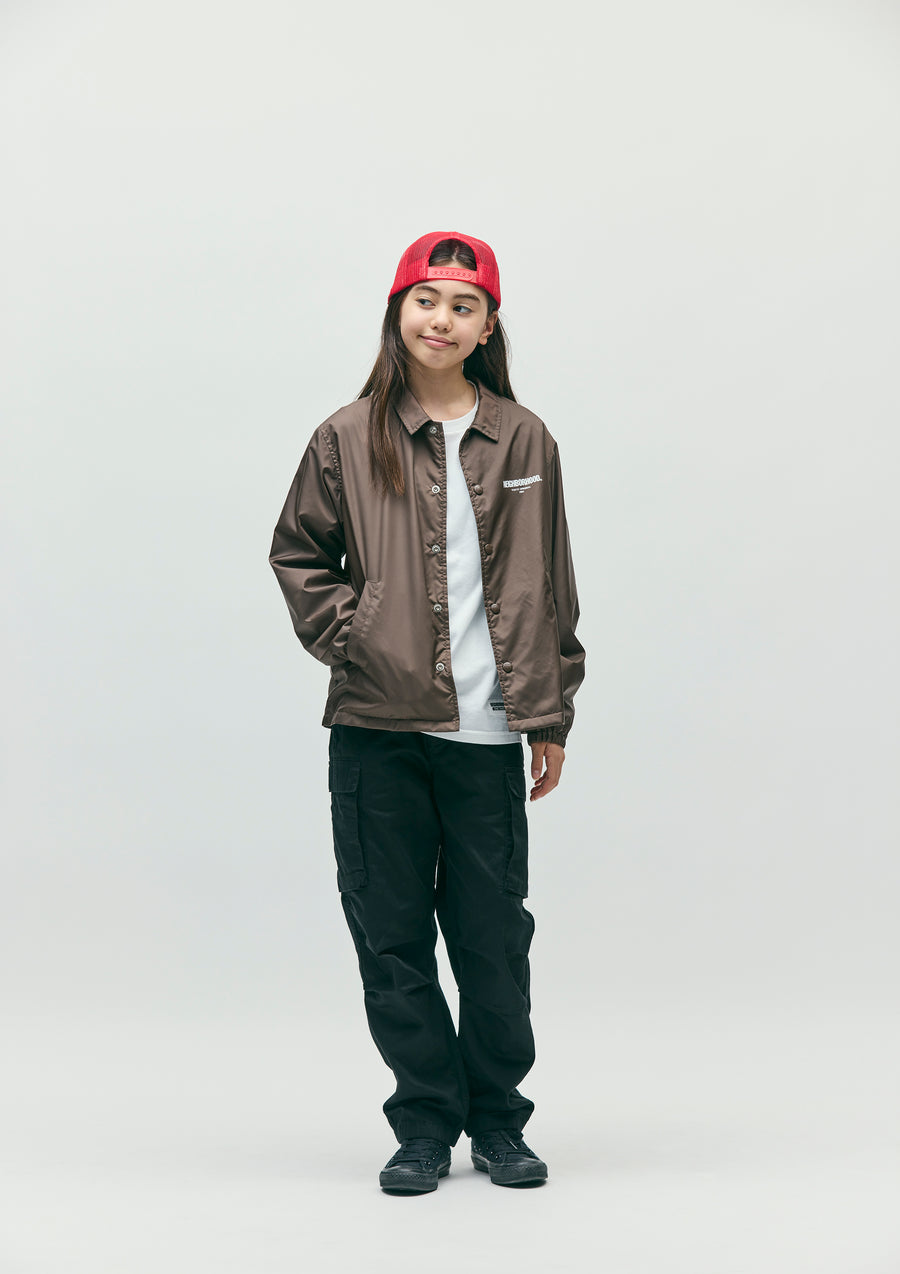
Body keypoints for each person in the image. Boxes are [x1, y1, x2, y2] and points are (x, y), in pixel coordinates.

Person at [269, 230, 586, 1194]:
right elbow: (298, 555)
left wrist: (551, 714)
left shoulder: (524, 438)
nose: (440, 320)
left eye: (463, 306)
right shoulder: (346, 435)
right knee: (392, 937)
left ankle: (499, 1123)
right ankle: (421, 1123)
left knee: (493, 939)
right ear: (398, 311)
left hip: (488, 732)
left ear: (488, 327)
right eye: (426, 300)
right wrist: (361, 638)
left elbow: (553, 581)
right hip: (377, 730)